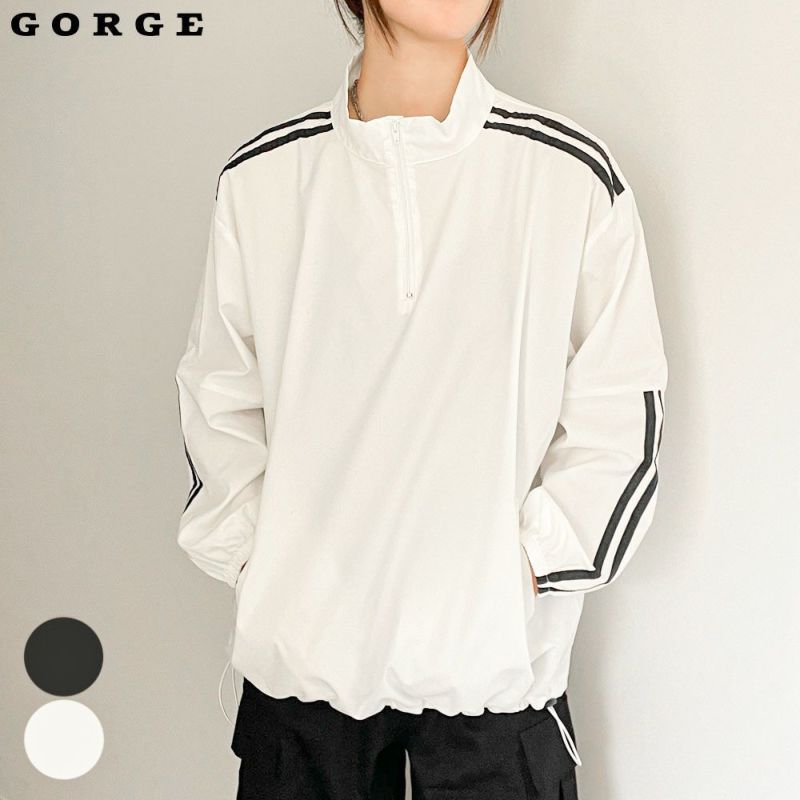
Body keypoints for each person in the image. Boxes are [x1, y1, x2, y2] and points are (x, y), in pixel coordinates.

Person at [173, 1, 668, 797]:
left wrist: (517, 575)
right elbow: (217, 398)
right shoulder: (264, 177)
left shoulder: (568, 173)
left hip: (496, 693)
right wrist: (271, 569)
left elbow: (620, 414)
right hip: (303, 689)